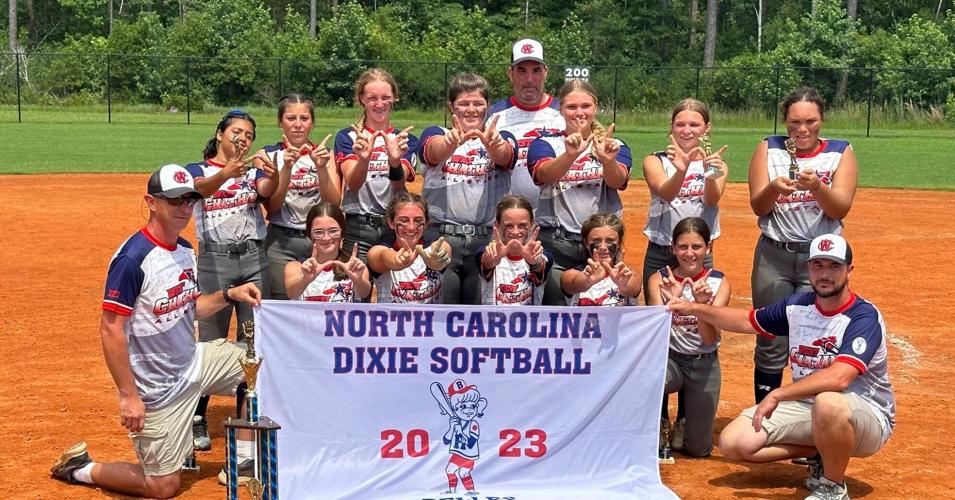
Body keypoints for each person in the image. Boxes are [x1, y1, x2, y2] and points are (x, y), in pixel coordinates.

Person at [49, 165, 262, 499]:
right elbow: (111, 329)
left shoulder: (185, 250)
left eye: (190, 200)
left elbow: (190, 308)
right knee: (161, 487)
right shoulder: (132, 259)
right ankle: (80, 468)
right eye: (174, 200)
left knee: (263, 366)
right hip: (157, 389)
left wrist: (228, 295)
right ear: (151, 202)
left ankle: (245, 459)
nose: (183, 209)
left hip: (194, 362)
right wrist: (128, 396)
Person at [665, 234, 894, 500]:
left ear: (849, 270)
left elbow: (841, 377)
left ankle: (833, 486)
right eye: (818, 265)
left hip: (866, 417)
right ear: (809, 269)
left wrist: (777, 393)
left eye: (834, 266)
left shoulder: (862, 316)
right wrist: (693, 308)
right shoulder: (798, 305)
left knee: (829, 403)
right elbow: (745, 321)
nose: (825, 274)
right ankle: (821, 452)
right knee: (734, 442)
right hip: (811, 409)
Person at [748, 86, 859, 403]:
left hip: (821, 260)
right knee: (770, 337)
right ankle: (765, 418)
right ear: (785, 121)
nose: (802, 129)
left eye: (810, 121)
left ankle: (815, 426)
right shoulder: (769, 149)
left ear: (821, 119)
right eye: (795, 122)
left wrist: (817, 188)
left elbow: (839, 208)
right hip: (775, 255)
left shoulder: (839, 151)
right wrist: (773, 188)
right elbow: (759, 206)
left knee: (820, 340)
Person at [184, 109, 277, 450]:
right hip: (214, 259)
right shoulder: (198, 169)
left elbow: (269, 189)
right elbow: (198, 190)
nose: (242, 138)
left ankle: (246, 417)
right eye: (236, 131)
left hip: (253, 257)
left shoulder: (251, 173)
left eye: (249, 134)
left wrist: (275, 172)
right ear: (220, 134)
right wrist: (226, 173)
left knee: (251, 341)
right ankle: (197, 417)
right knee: (210, 341)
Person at [527, 80, 632, 306]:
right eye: (572, 107)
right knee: (553, 308)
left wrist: (607, 160)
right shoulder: (546, 143)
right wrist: (570, 155)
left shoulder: (614, 145)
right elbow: (544, 174)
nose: (579, 113)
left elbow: (618, 180)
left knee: (601, 306)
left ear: (595, 107)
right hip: (557, 242)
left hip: (601, 244)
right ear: (560, 109)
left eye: (585, 106)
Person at [419, 72, 518, 304]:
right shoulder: (437, 133)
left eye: (478, 104)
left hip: (485, 242)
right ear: (451, 106)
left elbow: (505, 156)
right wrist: (451, 142)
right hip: (442, 238)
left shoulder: (500, 137)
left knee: (481, 313)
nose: (471, 109)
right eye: (463, 103)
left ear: (488, 107)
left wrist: (493, 145)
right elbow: (433, 151)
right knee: (441, 310)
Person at [645, 217, 730, 463]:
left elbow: (708, 337)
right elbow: (654, 334)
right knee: (648, 377)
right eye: (683, 247)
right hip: (668, 358)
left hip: (704, 362)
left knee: (698, 448)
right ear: (672, 248)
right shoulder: (658, 280)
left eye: (697, 247)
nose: (689, 253)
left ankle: (685, 420)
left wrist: (697, 307)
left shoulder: (719, 283)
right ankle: (659, 422)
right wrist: (670, 305)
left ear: (708, 247)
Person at [256, 93, 340, 300]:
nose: (298, 125)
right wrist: (286, 167)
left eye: (304, 118)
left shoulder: (324, 154)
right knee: (280, 301)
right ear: (280, 122)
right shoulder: (266, 155)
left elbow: (334, 203)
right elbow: (272, 207)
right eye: (291, 118)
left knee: (319, 297)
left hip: (320, 240)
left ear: (312, 122)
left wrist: (321, 169)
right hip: (281, 240)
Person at [642, 98, 728, 294]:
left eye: (694, 125)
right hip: (661, 250)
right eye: (680, 124)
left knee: (698, 314)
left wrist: (710, 172)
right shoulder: (655, 161)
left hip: (698, 253)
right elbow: (667, 193)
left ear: (707, 128)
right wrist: (681, 170)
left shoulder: (717, 164)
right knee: (658, 316)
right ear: (671, 127)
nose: (686, 130)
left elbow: (711, 199)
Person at [335, 68, 418, 262]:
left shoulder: (405, 139)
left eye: (385, 97)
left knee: (395, 291)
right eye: (372, 98)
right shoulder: (348, 137)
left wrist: (395, 160)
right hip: (358, 228)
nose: (379, 104)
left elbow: (399, 186)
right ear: (361, 98)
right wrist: (363, 158)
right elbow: (353, 184)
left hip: (394, 228)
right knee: (354, 290)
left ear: (394, 98)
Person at [487, 38, 565, 210]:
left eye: (536, 70)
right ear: (510, 73)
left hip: (554, 221)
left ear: (546, 72)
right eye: (522, 71)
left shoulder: (565, 113)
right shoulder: (493, 116)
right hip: (508, 221)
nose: (529, 79)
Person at [367, 192, 453, 304]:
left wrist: (436, 261)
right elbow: (381, 256)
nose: (411, 227)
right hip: (392, 320)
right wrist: (396, 260)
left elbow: (444, 250)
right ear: (391, 223)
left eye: (418, 221)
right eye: (404, 220)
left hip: (431, 321)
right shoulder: (378, 250)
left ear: (426, 223)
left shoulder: (435, 248)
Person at [284, 202, 371, 302]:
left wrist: (357, 280)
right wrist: (305, 279)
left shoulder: (354, 266)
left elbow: (364, 293)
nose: (326, 238)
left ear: (342, 232)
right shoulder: (296, 267)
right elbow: (292, 293)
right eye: (318, 232)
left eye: (333, 231)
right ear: (309, 234)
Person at [478, 195, 552, 305]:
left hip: (528, 322)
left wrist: (534, 261)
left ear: (532, 225)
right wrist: (494, 259)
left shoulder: (542, 255)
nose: (516, 232)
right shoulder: (487, 251)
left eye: (522, 225)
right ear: (497, 225)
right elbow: (486, 262)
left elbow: (541, 265)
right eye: (509, 226)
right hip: (492, 322)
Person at [560, 213, 640, 306]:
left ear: (619, 243)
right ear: (586, 243)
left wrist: (625, 286)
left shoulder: (627, 274)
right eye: (596, 241)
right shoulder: (572, 274)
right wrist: (587, 281)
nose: (603, 247)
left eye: (610, 241)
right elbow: (571, 284)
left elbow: (634, 288)